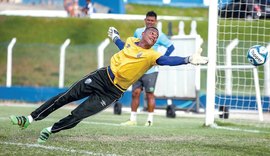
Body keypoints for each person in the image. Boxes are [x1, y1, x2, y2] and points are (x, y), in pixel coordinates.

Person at [9, 27, 208, 144]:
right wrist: (115, 37)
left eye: (156, 36)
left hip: (113, 91)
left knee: (79, 114)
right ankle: (29, 118)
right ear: (143, 33)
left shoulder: (153, 55)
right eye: (152, 33)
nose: (154, 36)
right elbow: (124, 46)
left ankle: (51, 130)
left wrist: (188, 58)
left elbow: (166, 61)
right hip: (101, 76)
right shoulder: (131, 40)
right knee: (65, 96)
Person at [112, 11, 175, 127]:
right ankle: (132, 119)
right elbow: (132, 47)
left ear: (155, 22)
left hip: (151, 70)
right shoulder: (138, 31)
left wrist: (161, 60)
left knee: (149, 94)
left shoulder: (159, 35)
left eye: (152, 20)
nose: (150, 22)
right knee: (135, 93)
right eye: (148, 20)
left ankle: (150, 120)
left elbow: (171, 47)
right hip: (137, 70)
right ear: (145, 20)